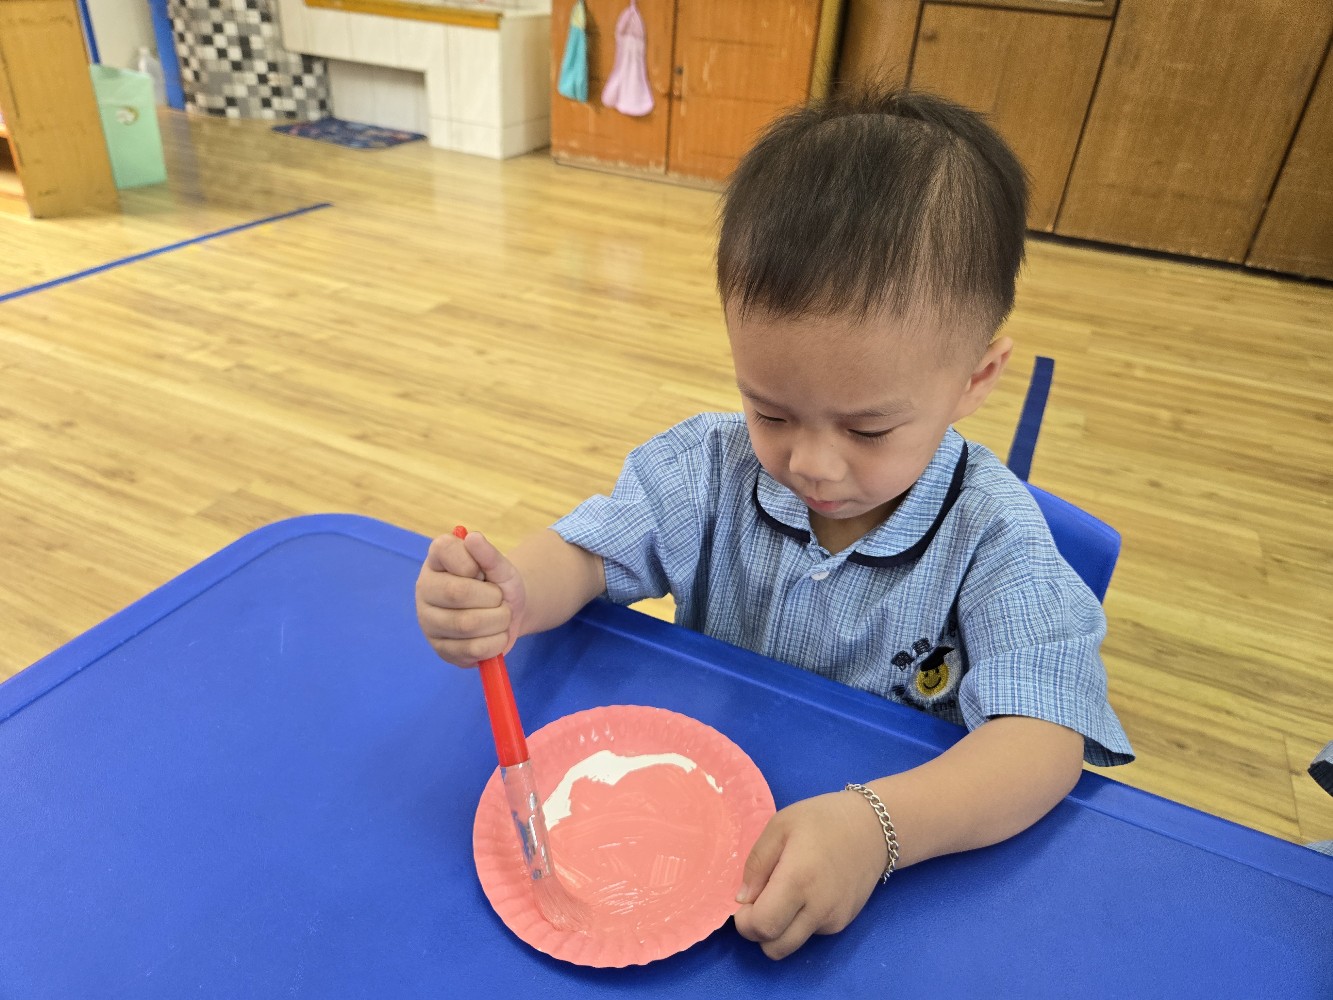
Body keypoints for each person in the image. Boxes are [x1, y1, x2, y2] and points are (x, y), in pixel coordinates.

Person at [416, 88, 1133, 960]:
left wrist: (877, 830)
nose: (813, 464)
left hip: (891, 892)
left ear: (973, 380)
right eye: (772, 411)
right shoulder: (707, 467)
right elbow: (587, 554)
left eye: (867, 429)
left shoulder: (993, 537)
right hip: (689, 834)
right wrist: (511, 595)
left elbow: (1042, 743)